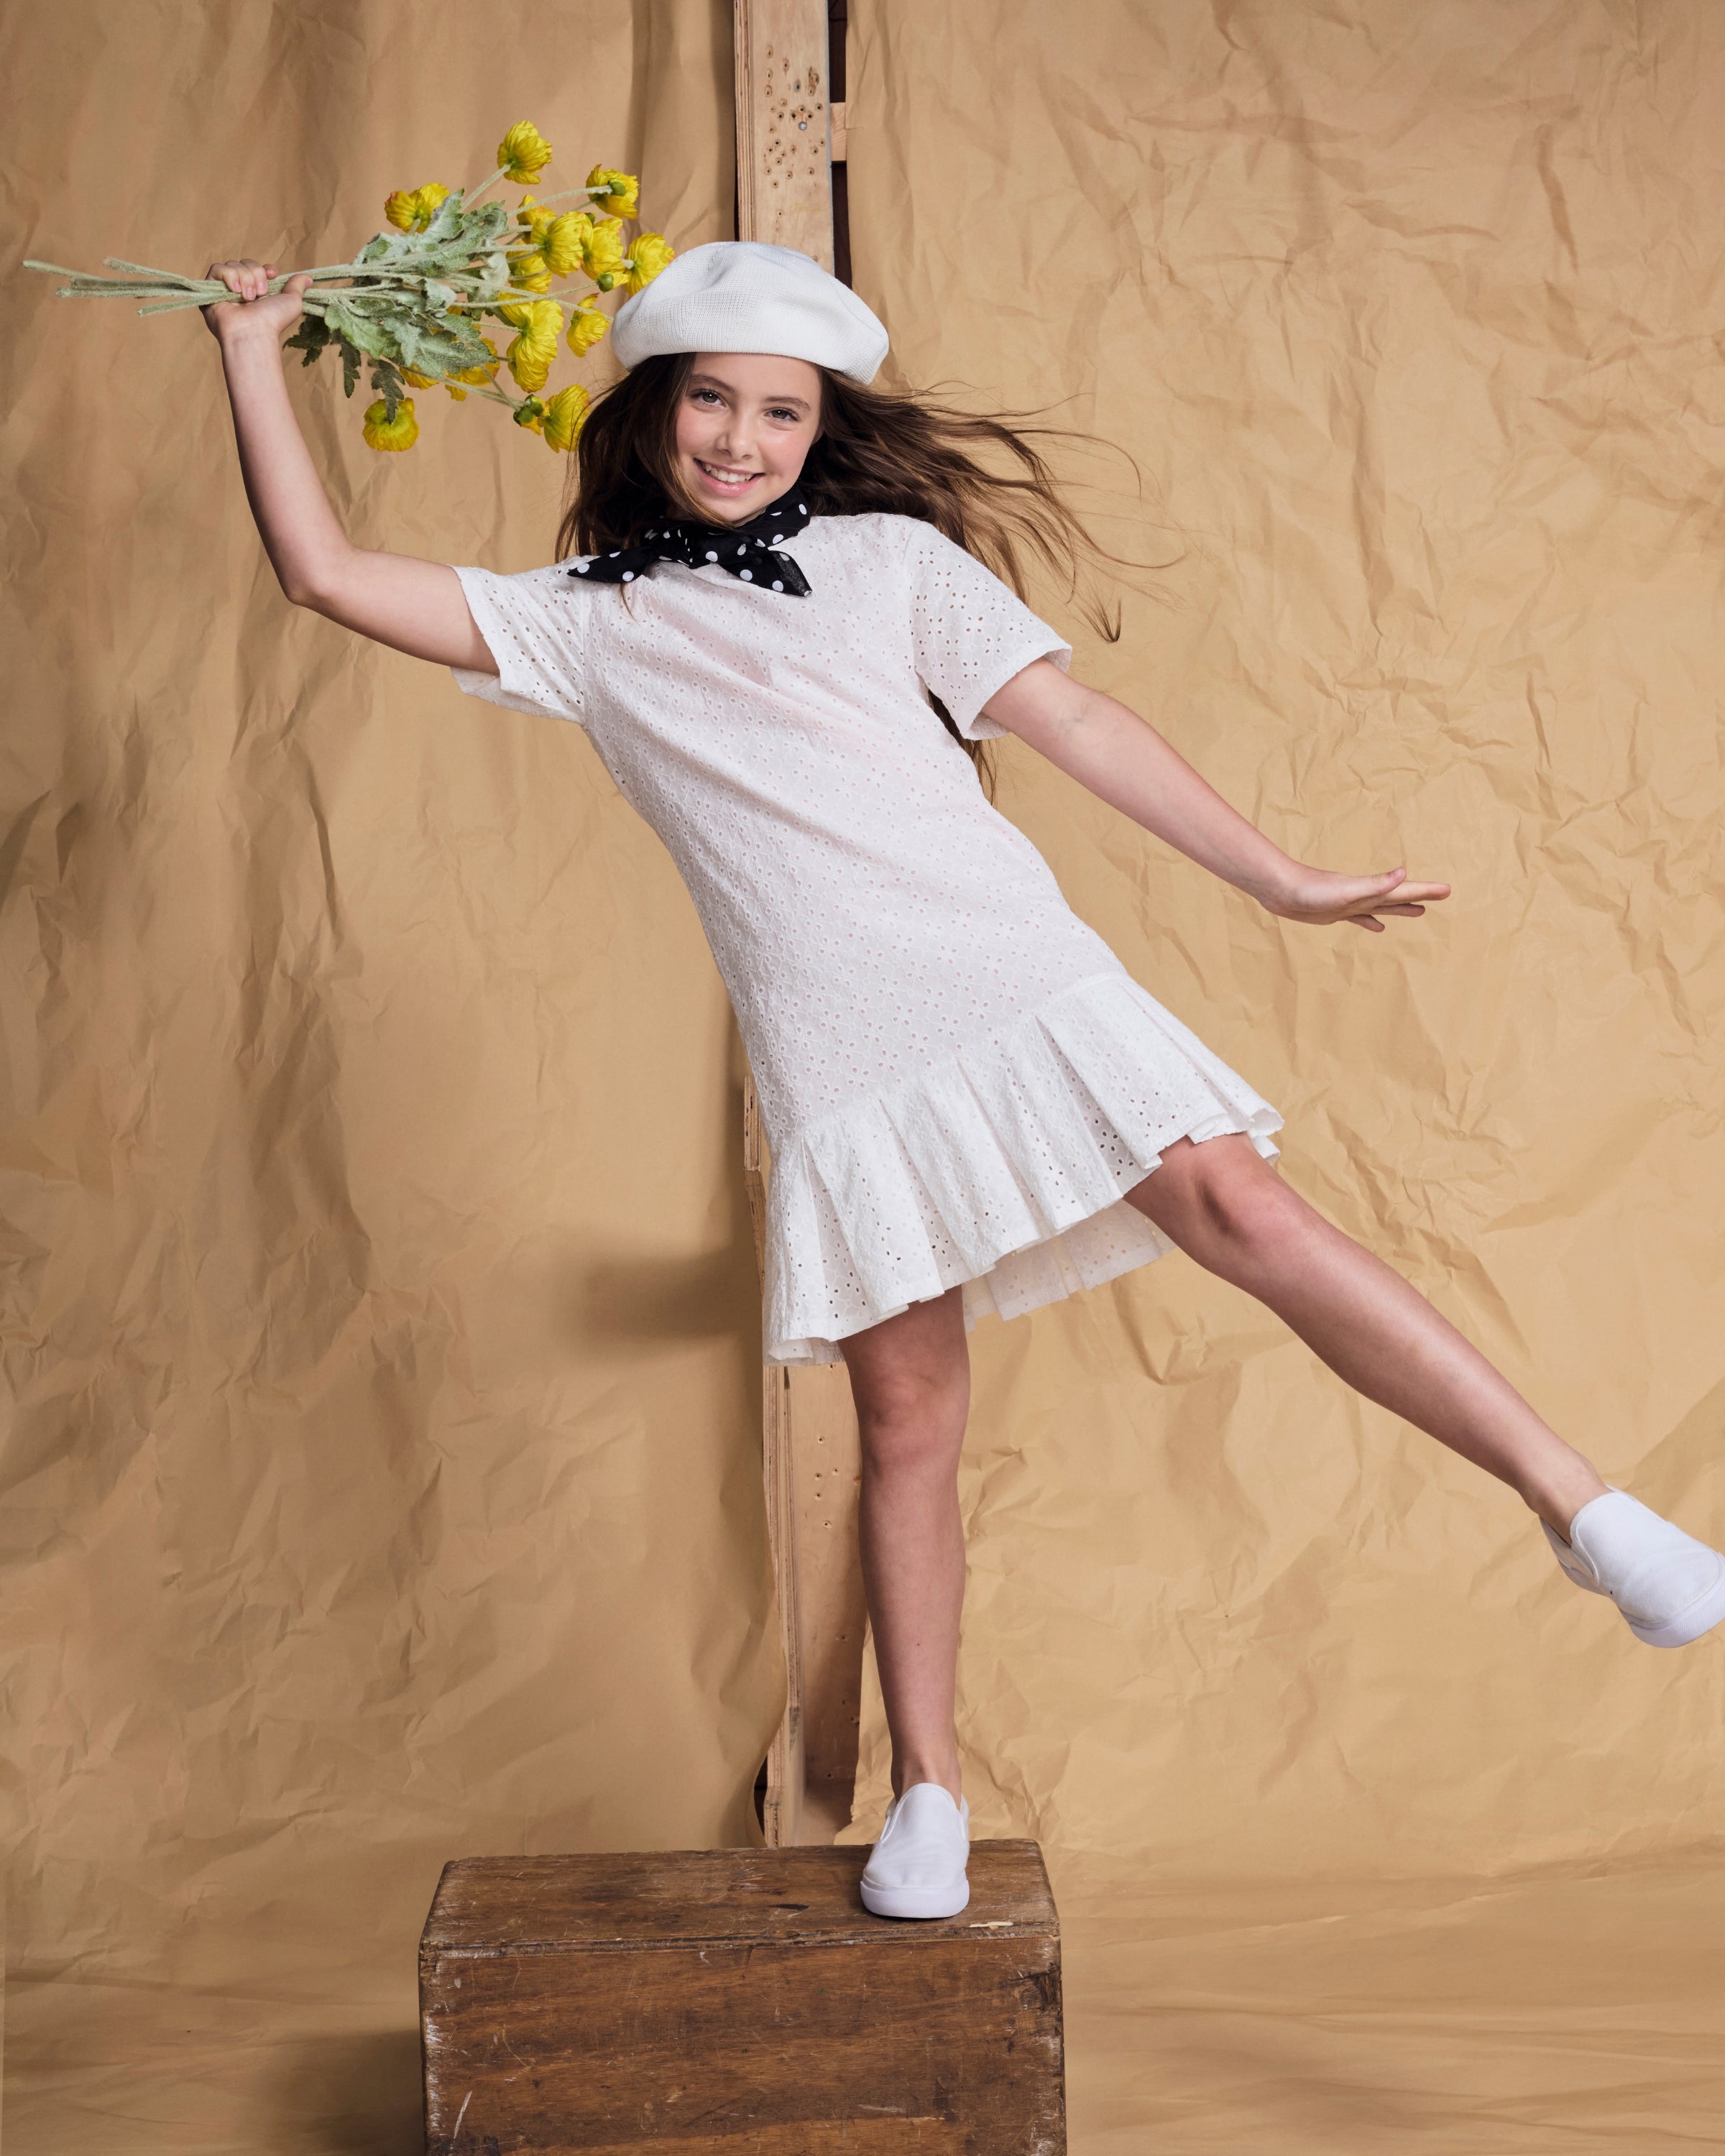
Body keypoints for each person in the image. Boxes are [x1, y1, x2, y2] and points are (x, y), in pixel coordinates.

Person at [202, 239, 1725, 1922]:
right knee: (907, 1415)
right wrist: (254, 350)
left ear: (814, 428)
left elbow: (1079, 725)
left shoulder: (891, 558)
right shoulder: (585, 626)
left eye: (779, 411)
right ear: (649, 413)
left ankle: (1583, 1509)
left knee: (1245, 1206)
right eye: (709, 399)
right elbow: (328, 574)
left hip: (1014, 976)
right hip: (839, 1047)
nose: (740, 439)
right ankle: (926, 1792)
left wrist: (1283, 880)